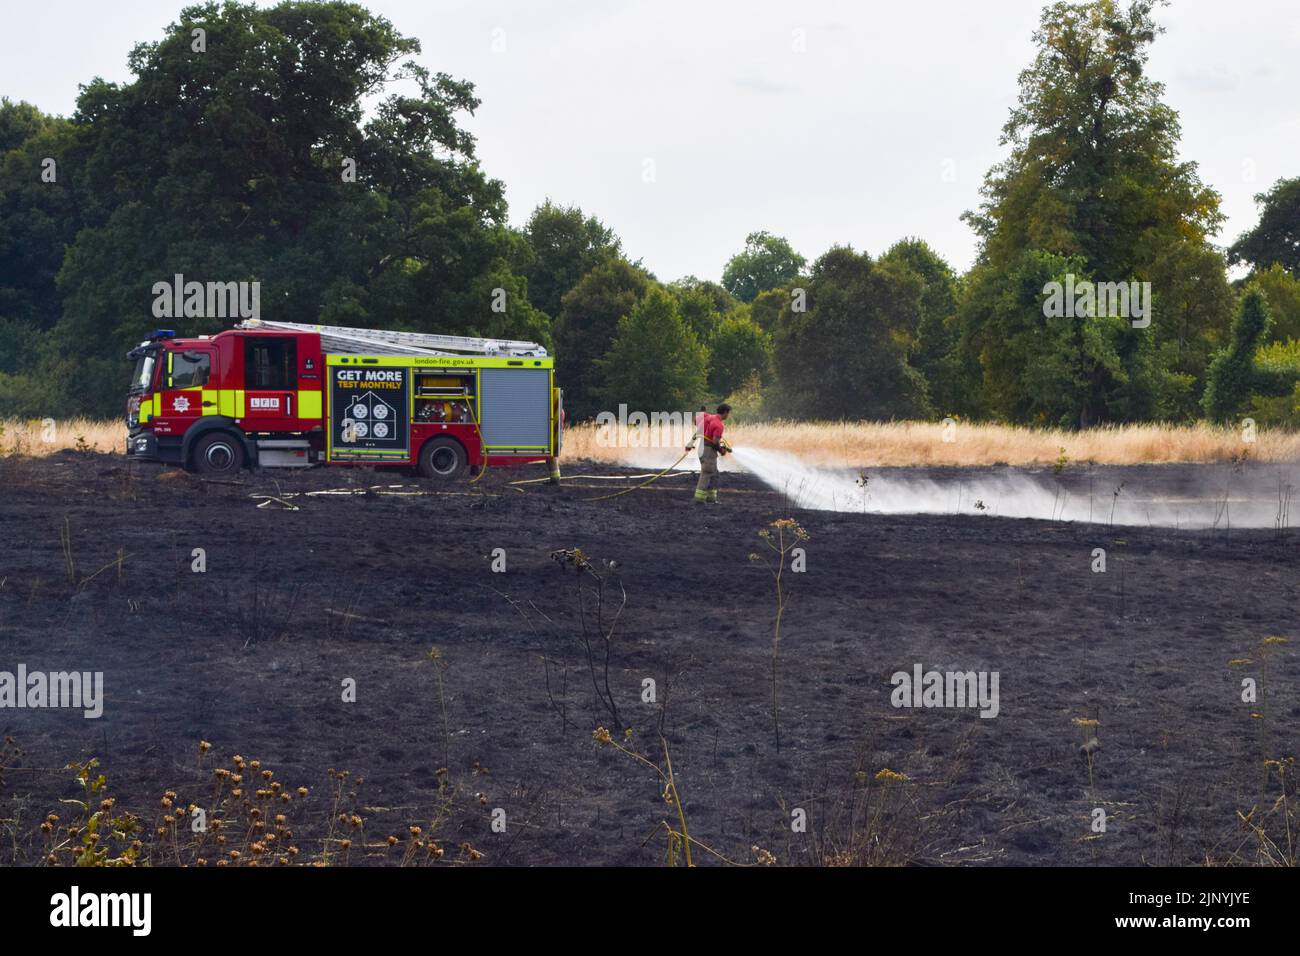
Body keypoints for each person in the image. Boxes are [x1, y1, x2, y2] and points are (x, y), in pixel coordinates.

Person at [686, 403, 731, 504]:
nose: (728, 415)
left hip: (703, 448)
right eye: (728, 413)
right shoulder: (719, 425)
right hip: (708, 451)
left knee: (714, 474)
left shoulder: (709, 417)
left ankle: (711, 499)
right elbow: (715, 443)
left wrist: (690, 443)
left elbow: (698, 428)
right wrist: (721, 451)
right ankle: (699, 500)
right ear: (725, 412)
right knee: (707, 473)